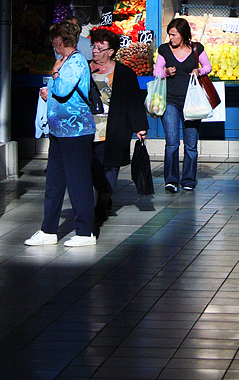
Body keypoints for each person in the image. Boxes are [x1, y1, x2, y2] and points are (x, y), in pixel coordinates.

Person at [25, 19, 97, 247]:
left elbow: (65, 89)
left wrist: (55, 76)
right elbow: (61, 93)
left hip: (75, 131)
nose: (52, 43)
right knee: (54, 181)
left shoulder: (75, 62)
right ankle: (48, 229)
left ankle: (86, 231)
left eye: (54, 39)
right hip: (59, 130)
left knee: (78, 182)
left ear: (61, 40)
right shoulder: (64, 61)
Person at [88, 28, 149, 222]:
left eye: (100, 47)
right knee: (92, 166)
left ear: (111, 51)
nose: (95, 50)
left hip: (114, 126)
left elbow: (133, 100)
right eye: (93, 46)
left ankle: (103, 201)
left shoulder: (124, 73)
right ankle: (101, 193)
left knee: (110, 166)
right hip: (87, 127)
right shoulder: (83, 69)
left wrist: (140, 126)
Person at [153, 17, 212, 193]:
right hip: (170, 101)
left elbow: (208, 66)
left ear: (184, 34)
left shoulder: (196, 49)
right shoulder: (164, 50)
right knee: (171, 142)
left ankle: (188, 179)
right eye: (169, 35)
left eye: (174, 35)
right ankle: (171, 180)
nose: (171, 38)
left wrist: (199, 70)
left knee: (191, 144)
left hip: (192, 103)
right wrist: (165, 72)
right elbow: (156, 71)